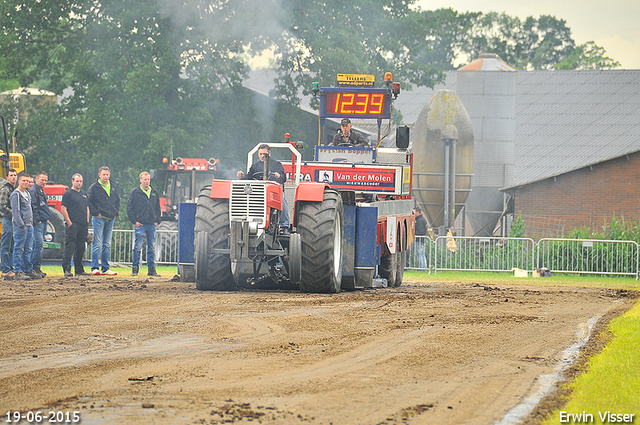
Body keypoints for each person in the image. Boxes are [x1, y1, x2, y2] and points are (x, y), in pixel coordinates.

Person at [237, 144, 289, 230]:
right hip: (258, 191)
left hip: (273, 191)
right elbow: (248, 178)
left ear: (269, 154)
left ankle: (284, 224)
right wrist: (242, 177)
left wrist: (278, 176)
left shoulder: (277, 165)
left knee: (282, 200)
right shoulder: (255, 166)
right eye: (260, 154)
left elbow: (283, 178)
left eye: (264, 154)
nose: (262, 156)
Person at [127, 171, 162, 277]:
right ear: (140, 180)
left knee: (151, 247)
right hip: (140, 224)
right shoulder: (135, 192)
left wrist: (157, 220)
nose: (147, 181)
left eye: (148, 179)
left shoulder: (154, 192)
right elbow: (130, 207)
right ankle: (135, 269)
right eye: (145, 179)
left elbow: (157, 207)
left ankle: (151, 269)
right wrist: (134, 221)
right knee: (137, 247)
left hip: (151, 223)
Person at [88, 166, 120, 276]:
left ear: (109, 175)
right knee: (97, 244)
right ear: (99, 175)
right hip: (99, 219)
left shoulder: (113, 186)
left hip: (110, 218)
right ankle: (95, 268)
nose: (105, 177)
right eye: (103, 175)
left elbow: (117, 200)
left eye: (107, 174)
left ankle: (105, 268)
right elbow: (90, 202)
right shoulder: (94, 187)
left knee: (107, 244)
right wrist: (97, 213)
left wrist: (116, 213)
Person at [61, 174, 90, 277]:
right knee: (70, 247)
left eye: (81, 181)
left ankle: (79, 269)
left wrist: (87, 222)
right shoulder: (68, 194)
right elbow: (64, 208)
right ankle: (67, 269)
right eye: (77, 181)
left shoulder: (84, 194)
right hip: (73, 224)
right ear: (72, 181)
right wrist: (69, 223)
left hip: (83, 225)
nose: (79, 183)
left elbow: (87, 208)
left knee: (81, 247)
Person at [10, 172, 35, 280]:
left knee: (28, 249)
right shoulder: (16, 194)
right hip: (21, 226)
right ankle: (18, 271)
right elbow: (16, 212)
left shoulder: (27, 194)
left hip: (29, 225)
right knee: (19, 248)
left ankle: (27, 269)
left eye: (28, 181)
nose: (26, 183)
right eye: (24, 180)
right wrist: (22, 226)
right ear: (19, 181)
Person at [29, 171, 51, 278]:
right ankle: (33, 268)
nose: (44, 182)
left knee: (40, 246)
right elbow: (34, 207)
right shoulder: (34, 191)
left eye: (46, 180)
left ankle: (37, 267)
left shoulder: (42, 191)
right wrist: (37, 220)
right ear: (36, 179)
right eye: (42, 179)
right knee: (37, 245)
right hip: (38, 222)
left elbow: (44, 207)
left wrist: (46, 218)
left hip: (43, 220)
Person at [0, 169, 18, 280]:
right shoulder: (6, 189)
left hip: (12, 221)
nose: (13, 177)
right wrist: (14, 213)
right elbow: (2, 206)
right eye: (11, 175)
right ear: (7, 177)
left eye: (15, 175)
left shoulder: (13, 189)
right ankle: (5, 270)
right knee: (6, 245)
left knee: (11, 245)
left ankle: (9, 268)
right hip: (7, 220)